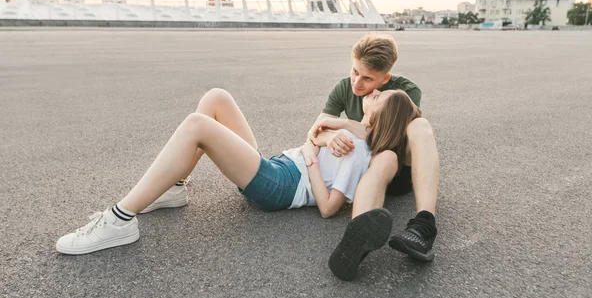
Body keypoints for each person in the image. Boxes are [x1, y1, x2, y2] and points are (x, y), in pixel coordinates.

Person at [55, 87, 413, 256]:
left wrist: (310, 158)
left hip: (281, 186)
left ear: (378, 117)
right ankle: (175, 188)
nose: (375, 91)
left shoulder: (357, 148)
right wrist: (321, 138)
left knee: (198, 125)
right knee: (216, 98)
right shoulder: (351, 132)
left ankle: (119, 220)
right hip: (277, 166)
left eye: (380, 97)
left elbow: (328, 208)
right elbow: (318, 131)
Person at [307, 35, 440, 281]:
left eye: (367, 78)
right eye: (355, 71)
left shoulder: (405, 92)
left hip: (398, 169)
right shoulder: (344, 87)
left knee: (418, 127)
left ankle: (424, 225)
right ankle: (357, 242)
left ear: (385, 79)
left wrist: (346, 123)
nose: (357, 82)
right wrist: (328, 138)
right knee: (383, 157)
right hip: (368, 167)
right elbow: (314, 133)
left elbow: (390, 137)